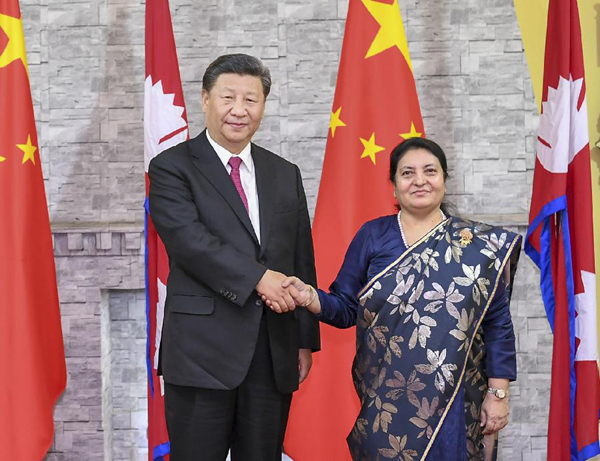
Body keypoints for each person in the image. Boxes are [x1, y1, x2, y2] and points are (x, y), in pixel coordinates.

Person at [268, 137, 521, 460]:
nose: (419, 180)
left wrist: (498, 394)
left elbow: (497, 325)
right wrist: (309, 297)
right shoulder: (373, 236)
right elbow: (346, 309)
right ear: (393, 186)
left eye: (430, 171)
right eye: (407, 173)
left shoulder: (478, 246)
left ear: (444, 180)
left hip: (455, 398)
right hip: (386, 397)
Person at [148, 54, 320, 461]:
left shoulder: (285, 172)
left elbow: (300, 256)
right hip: (201, 353)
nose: (239, 110)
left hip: (272, 350)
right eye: (228, 97)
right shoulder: (171, 167)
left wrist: (304, 340)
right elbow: (190, 243)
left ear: (263, 106)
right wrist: (260, 278)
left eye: (251, 99)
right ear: (205, 99)